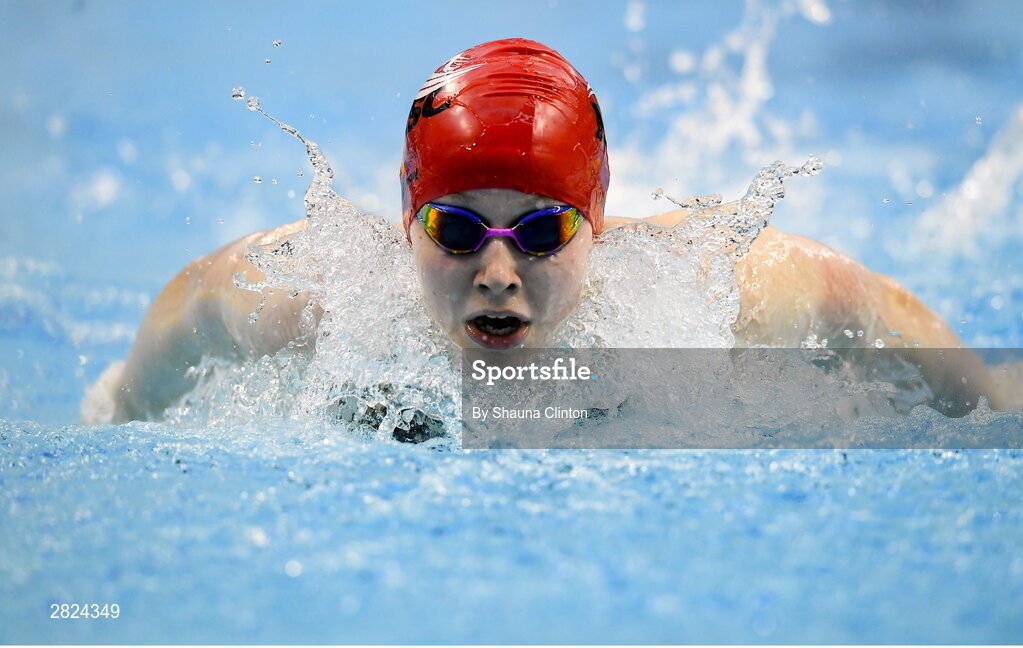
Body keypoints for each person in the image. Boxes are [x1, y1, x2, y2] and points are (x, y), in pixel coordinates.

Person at [82, 38, 1013, 427]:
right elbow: (194, 306)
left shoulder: (695, 294)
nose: (496, 271)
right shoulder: (311, 297)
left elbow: (880, 315)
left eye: (541, 231)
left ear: (597, 228)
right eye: (452, 229)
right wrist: (119, 405)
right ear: (406, 222)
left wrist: (993, 398)